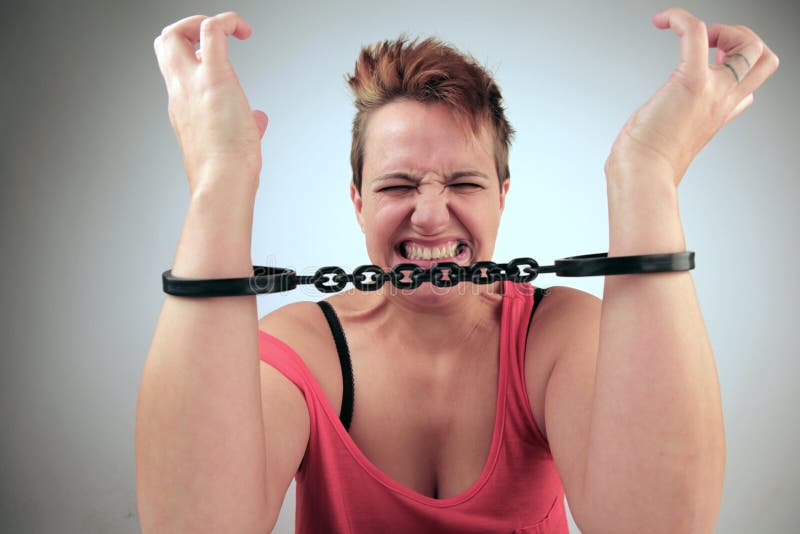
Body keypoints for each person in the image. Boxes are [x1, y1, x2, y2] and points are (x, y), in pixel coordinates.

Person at [136, 7, 778, 533]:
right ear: (357, 200)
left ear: (503, 194)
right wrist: (220, 176)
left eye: (464, 182)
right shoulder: (303, 353)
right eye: (398, 185)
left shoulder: (555, 338)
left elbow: (659, 526)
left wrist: (648, 170)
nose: (431, 216)